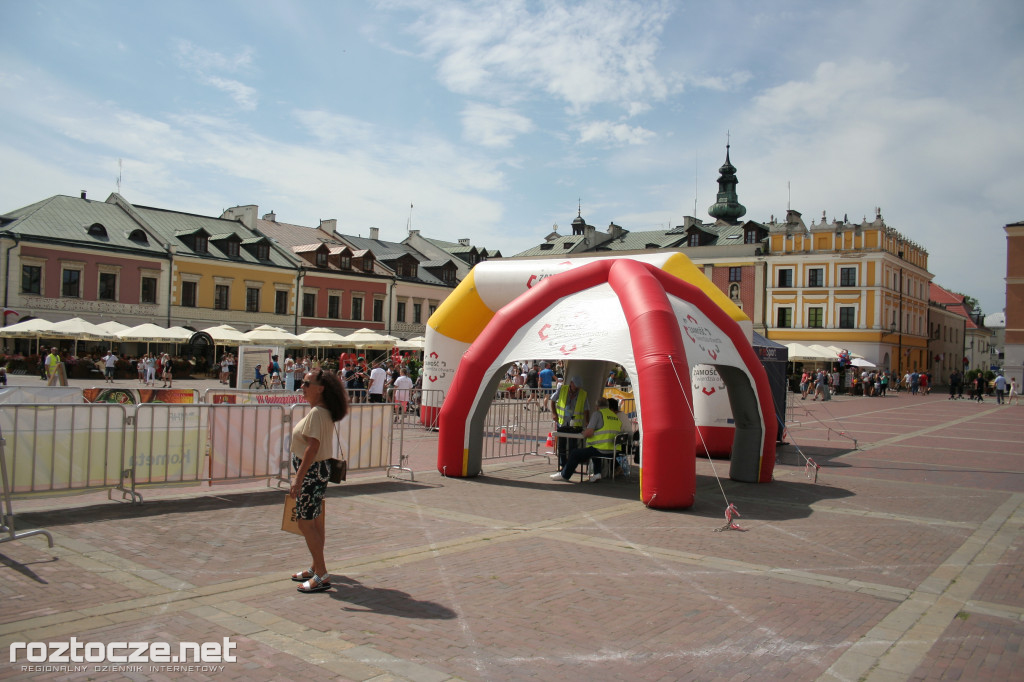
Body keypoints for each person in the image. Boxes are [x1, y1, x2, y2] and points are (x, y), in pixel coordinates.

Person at [289, 369, 348, 594]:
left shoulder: (317, 413)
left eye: (306, 383)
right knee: (315, 520)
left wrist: (298, 479)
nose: (302, 387)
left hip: (312, 472)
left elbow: (312, 448)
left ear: (320, 388)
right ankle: (316, 567)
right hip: (319, 471)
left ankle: (321, 574)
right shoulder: (323, 412)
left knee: (305, 522)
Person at [550, 397, 622, 482]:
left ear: (597, 406)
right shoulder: (614, 416)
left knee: (575, 453)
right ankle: (597, 473)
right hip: (614, 450)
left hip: (602, 449)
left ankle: (564, 475)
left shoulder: (598, 414)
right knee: (592, 448)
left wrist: (583, 433)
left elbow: (589, 432)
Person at [551, 375, 590, 469]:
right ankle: (562, 464)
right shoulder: (562, 389)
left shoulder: (583, 394)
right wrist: (554, 413)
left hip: (575, 424)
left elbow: (586, 409)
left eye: (578, 387)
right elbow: (552, 400)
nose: (576, 389)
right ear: (571, 383)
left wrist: (587, 421)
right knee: (562, 444)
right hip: (562, 421)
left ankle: (571, 466)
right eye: (575, 386)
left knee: (573, 446)